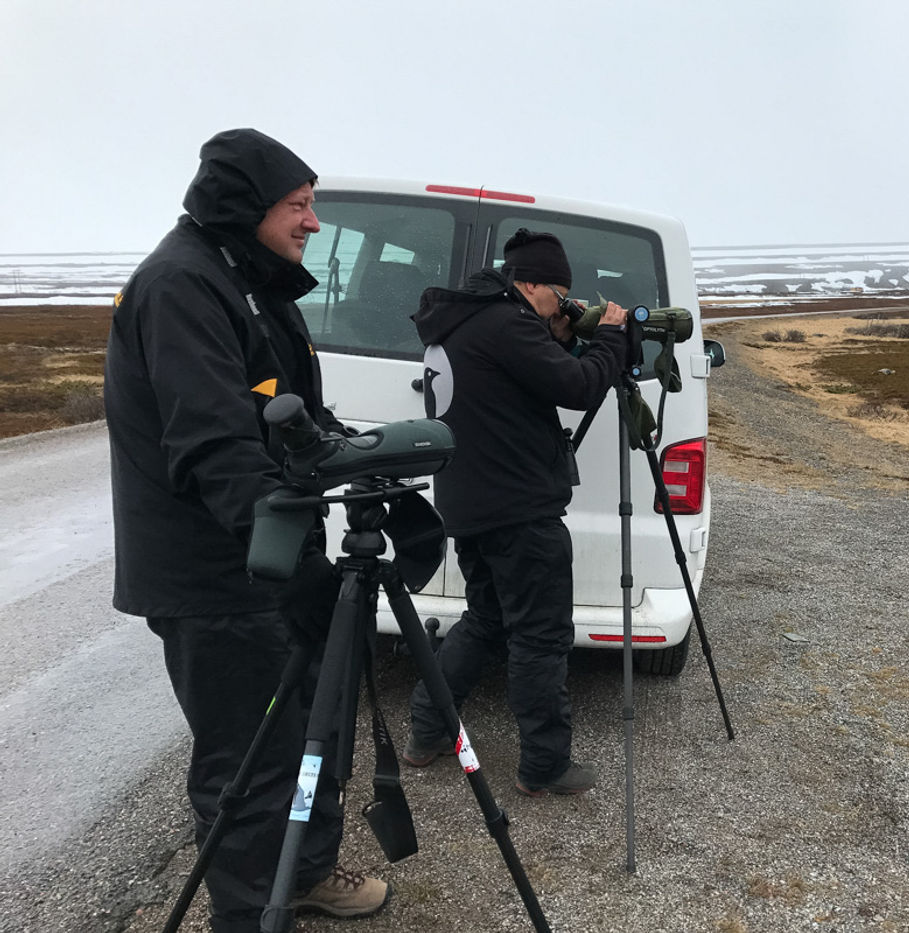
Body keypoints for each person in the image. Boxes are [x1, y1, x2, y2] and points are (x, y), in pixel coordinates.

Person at [104, 128, 390, 932]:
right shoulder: (180, 287)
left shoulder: (251, 284)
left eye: (311, 205)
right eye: (298, 206)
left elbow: (294, 417)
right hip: (217, 575)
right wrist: (289, 572)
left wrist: (374, 455)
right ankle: (247, 910)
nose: (313, 223)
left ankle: (302, 874)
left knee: (312, 731)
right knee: (251, 759)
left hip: (268, 554)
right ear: (246, 206)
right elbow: (216, 447)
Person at [403, 228, 629, 797]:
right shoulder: (506, 323)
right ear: (529, 283)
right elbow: (576, 386)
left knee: (486, 618)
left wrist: (555, 335)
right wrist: (609, 337)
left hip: (469, 503)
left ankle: (428, 731)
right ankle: (545, 767)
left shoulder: (465, 320)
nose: (563, 305)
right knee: (541, 637)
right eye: (558, 293)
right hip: (519, 511)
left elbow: (517, 383)